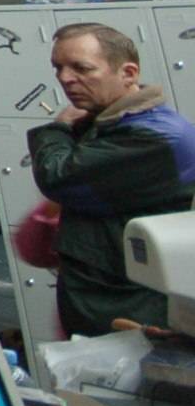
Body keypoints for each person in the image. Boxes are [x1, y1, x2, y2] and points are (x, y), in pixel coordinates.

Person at [28, 21, 195, 336]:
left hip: (128, 304)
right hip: (111, 292)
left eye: (82, 68)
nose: (65, 78)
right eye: (58, 67)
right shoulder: (116, 122)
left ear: (128, 73)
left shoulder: (153, 137)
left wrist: (59, 128)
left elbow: (58, 177)